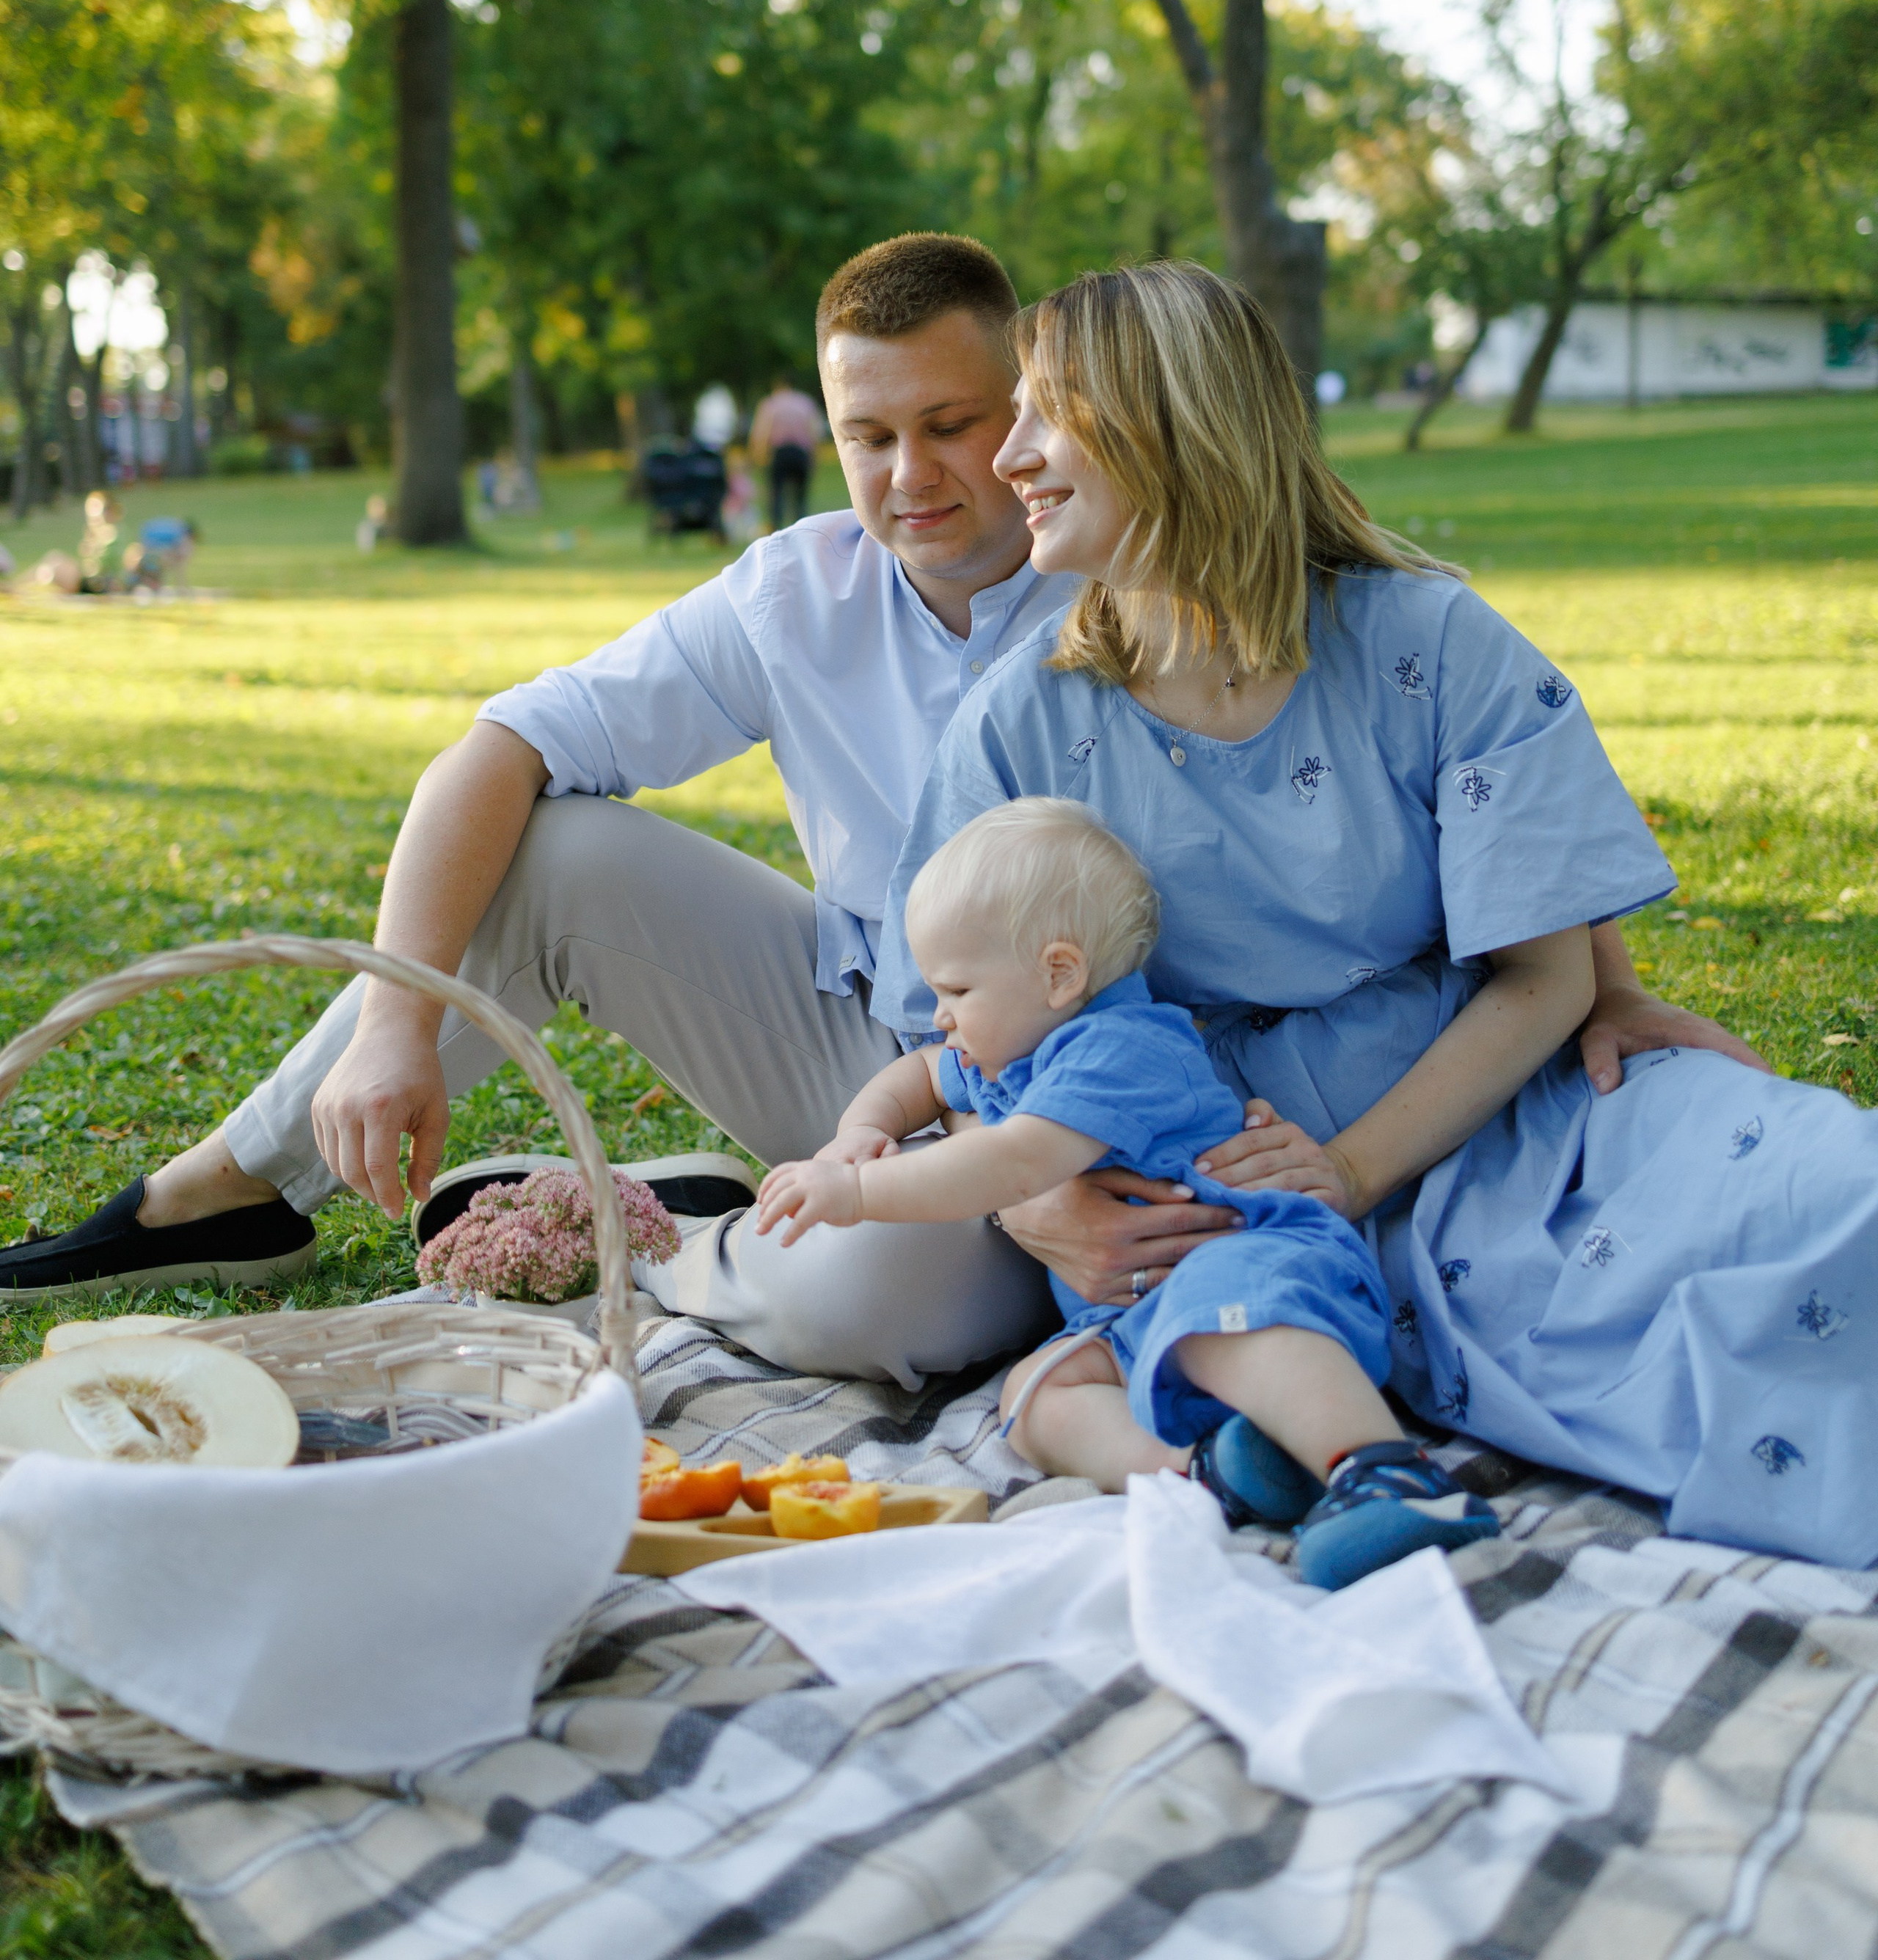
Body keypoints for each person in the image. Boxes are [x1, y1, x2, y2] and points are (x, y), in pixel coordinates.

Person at [0, 235, 1761, 1389]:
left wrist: (1578, 973)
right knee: (551, 849)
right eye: (868, 434)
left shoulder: (1141, 590)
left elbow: (1414, 759)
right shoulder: (807, 589)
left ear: (1062, 419)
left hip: (1107, 1069)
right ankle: (219, 1189)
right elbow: (494, 748)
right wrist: (394, 1018)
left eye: (967, 421)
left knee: (882, 1318)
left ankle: (673, 1219)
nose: (927, 475)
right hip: (886, 1031)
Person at [871, 261, 1877, 1565]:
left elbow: (1546, 974)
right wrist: (1023, 1202)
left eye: (1048, 414)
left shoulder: (1429, 643)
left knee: (1836, 1191)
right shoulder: (1022, 721)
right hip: (1226, 1192)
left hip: (1503, 1109)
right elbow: (948, 1028)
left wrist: (1355, 1168)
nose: (1008, 457)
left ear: (1175, 422)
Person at [758, 797, 1499, 1588]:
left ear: (1058, 974)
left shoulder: (1120, 1049)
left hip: (1249, 1264)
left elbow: (1012, 1164)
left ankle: (1387, 1473)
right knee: (1036, 1394)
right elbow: (915, 1076)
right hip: (1135, 1314)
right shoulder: (1009, 1052)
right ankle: (1203, 1476)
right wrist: (858, 1130)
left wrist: (858, 1189)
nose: (938, 1016)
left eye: (956, 991)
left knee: (1215, 1318)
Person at [750, 376, 823, 532]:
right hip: (800, 453)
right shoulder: (805, 402)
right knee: (800, 496)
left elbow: (762, 432)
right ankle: (801, 528)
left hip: (779, 453)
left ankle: (776, 528)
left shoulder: (770, 404)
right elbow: (815, 432)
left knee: (776, 495)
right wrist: (814, 456)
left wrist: (760, 455)